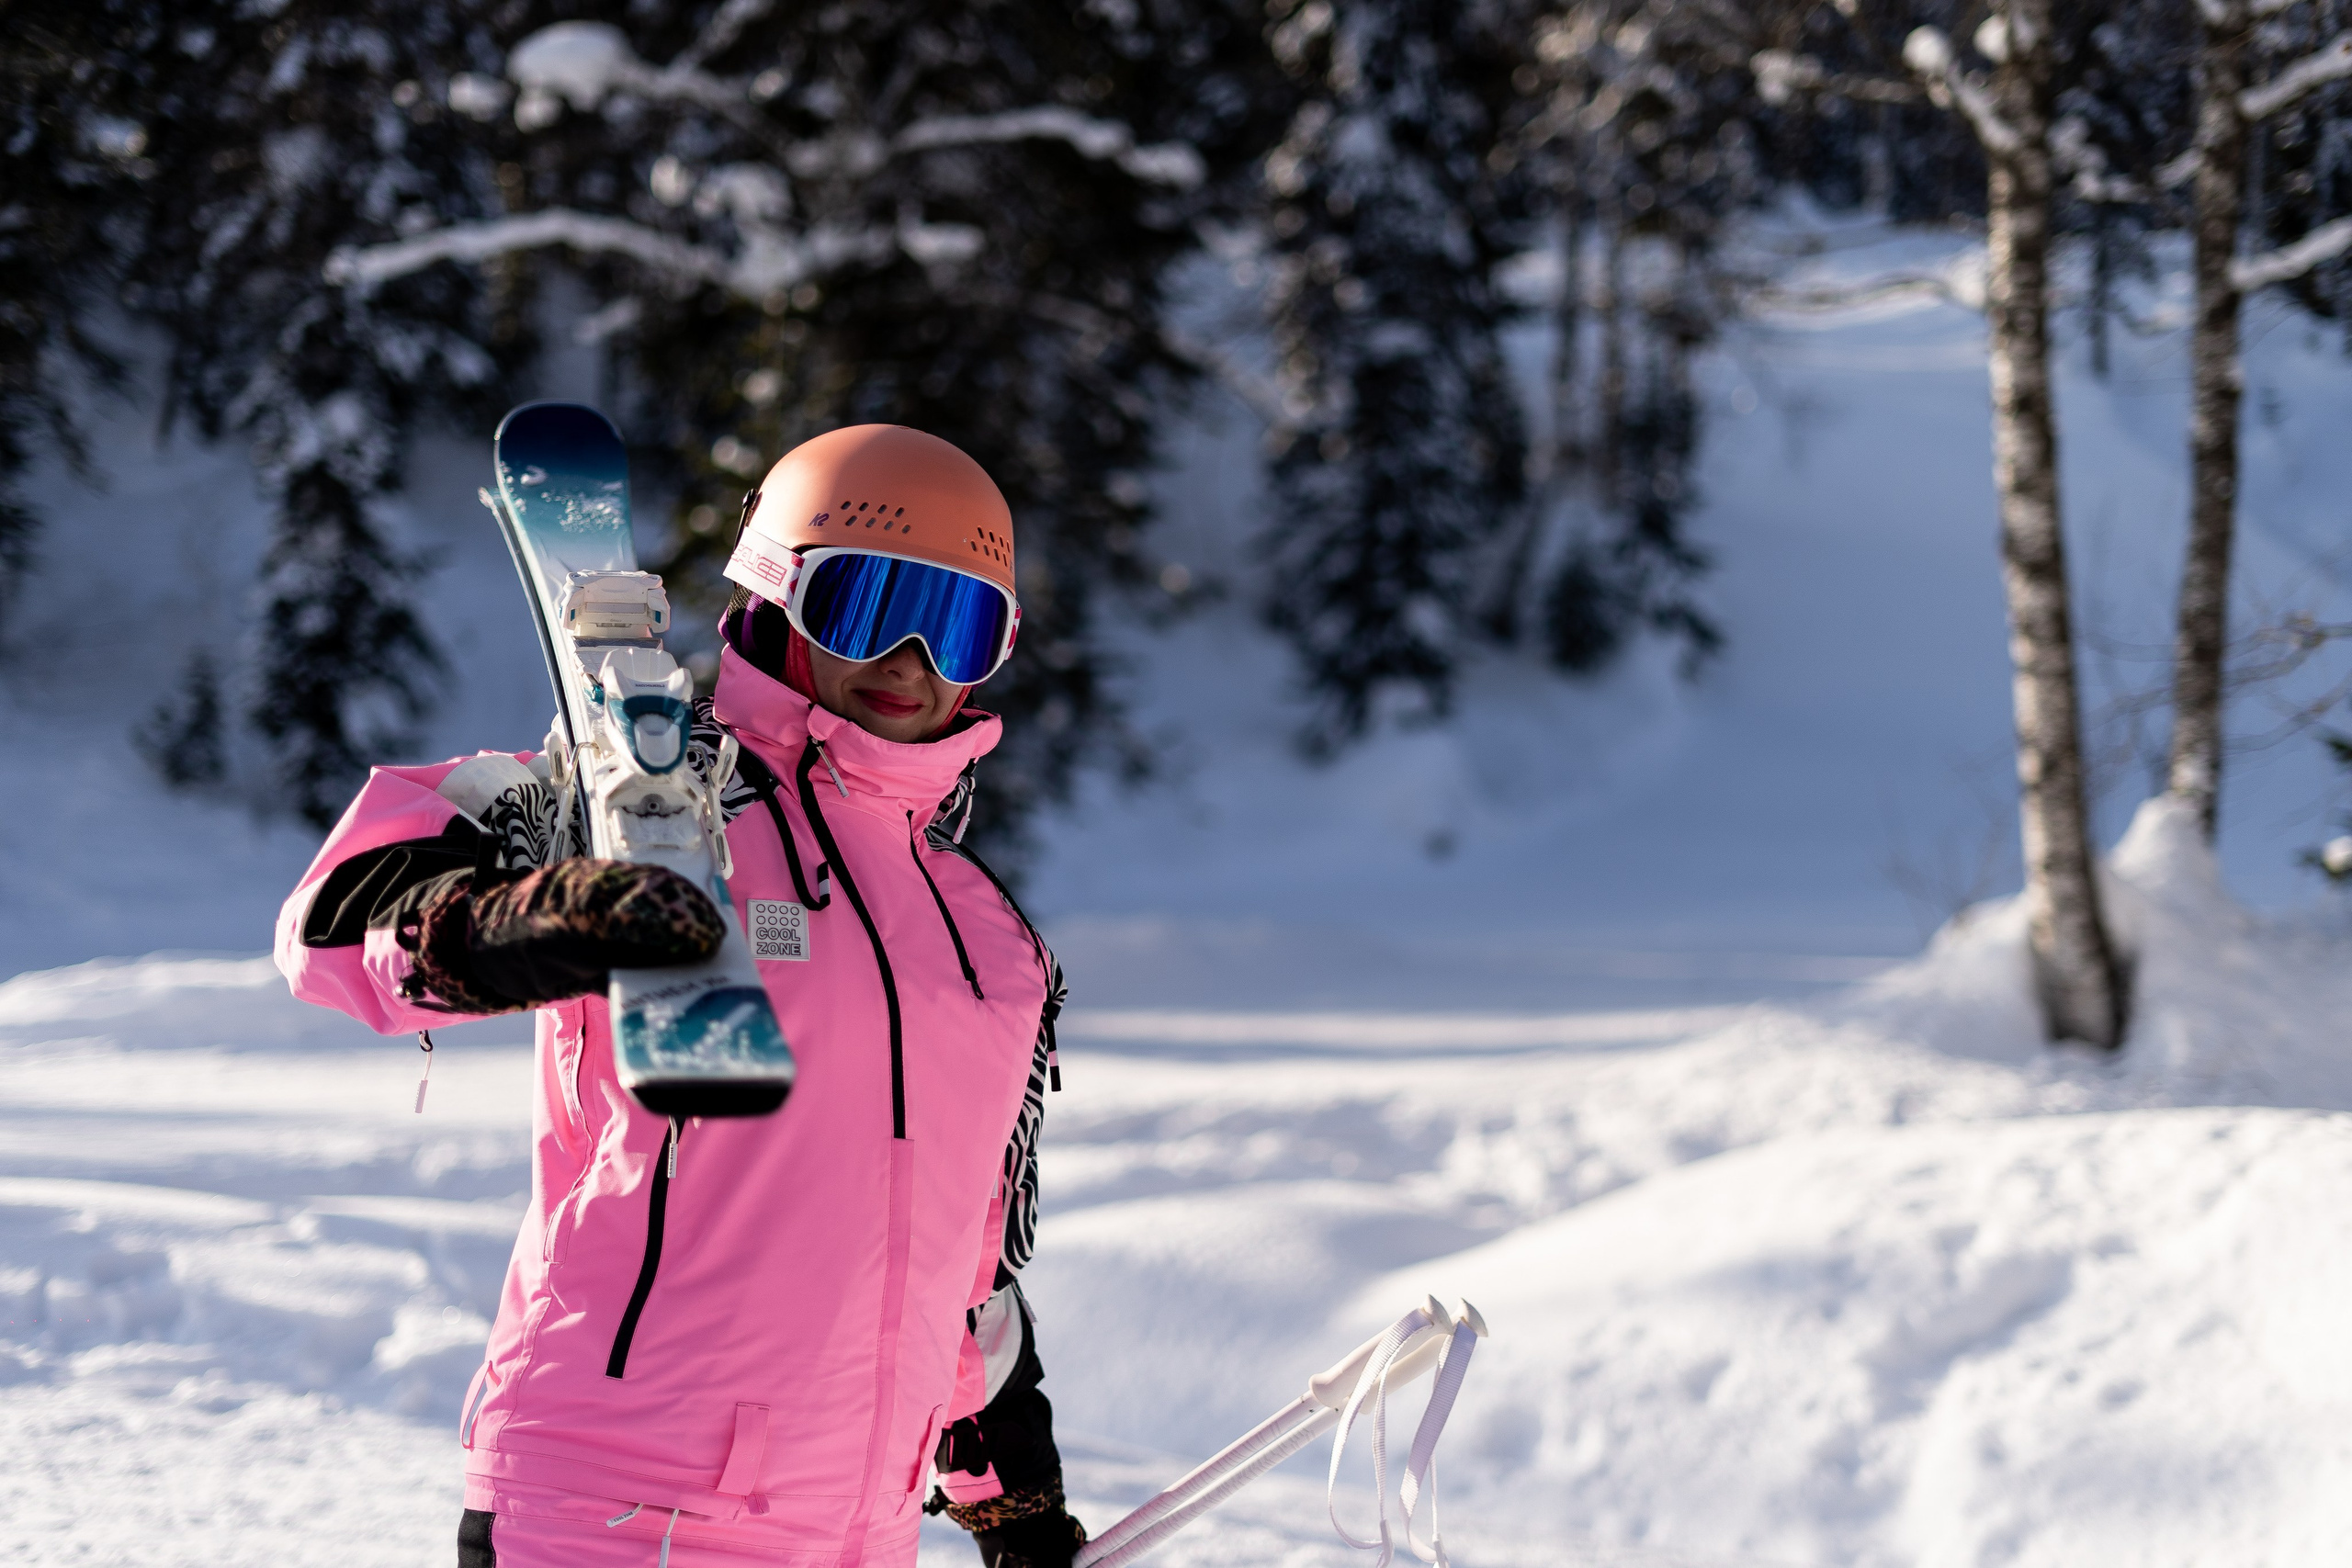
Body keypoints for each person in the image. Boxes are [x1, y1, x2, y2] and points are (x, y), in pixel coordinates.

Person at [274, 425, 1080, 1568]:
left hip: (858, 1534)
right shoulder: (636, 799)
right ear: (775, 589)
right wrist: (524, 925)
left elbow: (962, 1260)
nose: (909, 659)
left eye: (956, 625)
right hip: (610, 1509)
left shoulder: (992, 945)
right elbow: (332, 924)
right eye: (867, 605)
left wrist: (1015, 1499)